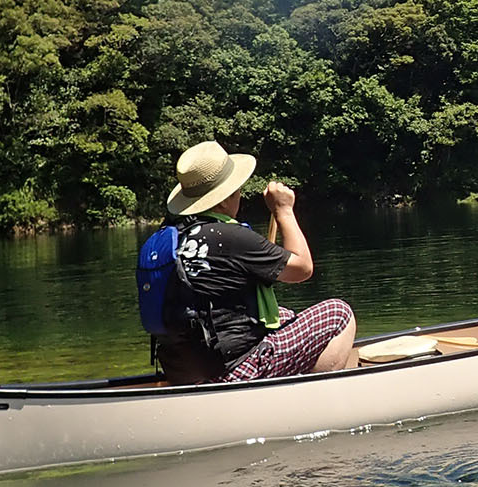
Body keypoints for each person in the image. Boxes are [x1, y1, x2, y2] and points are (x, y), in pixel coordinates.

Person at [153, 140, 357, 385]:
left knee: (284, 315)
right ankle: (317, 397)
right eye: (237, 189)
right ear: (224, 199)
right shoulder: (229, 237)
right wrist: (284, 211)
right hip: (231, 371)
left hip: (182, 369)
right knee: (338, 313)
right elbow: (303, 268)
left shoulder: (170, 238)